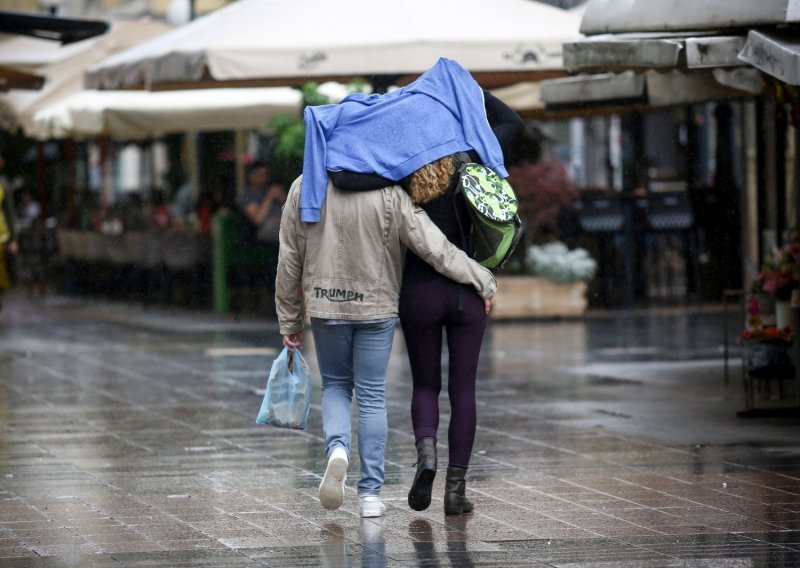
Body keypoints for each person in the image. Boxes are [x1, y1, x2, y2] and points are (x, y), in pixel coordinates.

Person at [275, 175, 496, 519]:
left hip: (325, 303)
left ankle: (337, 450)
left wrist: (289, 319)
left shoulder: (305, 186)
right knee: (371, 395)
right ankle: (370, 496)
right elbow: (434, 247)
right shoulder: (389, 192)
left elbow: (289, 257)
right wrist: (482, 277)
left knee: (335, 385)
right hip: (376, 305)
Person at [239, 161, 286, 303]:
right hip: (261, 234)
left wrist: (283, 198)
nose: (263, 178)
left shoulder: (270, 190)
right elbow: (258, 219)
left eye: (265, 174)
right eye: (259, 175)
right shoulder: (248, 195)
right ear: (251, 177)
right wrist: (269, 198)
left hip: (282, 230)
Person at [0, 154, 18, 312]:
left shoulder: (4, 184)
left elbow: (10, 213)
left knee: (2, 277)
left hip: (2, 236)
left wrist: (14, 239)